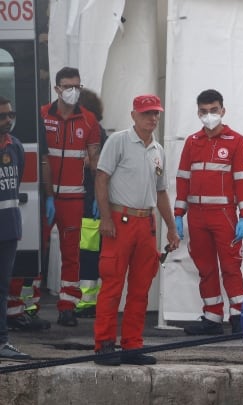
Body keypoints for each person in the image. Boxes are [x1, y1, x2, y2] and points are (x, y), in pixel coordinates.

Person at [92, 94, 180, 366]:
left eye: (156, 113)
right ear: (134, 115)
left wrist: (172, 229)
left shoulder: (157, 150)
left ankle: (132, 344)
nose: (152, 118)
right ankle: (104, 344)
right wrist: (106, 218)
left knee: (141, 288)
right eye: (146, 113)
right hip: (121, 220)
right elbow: (101, 178)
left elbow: (161, 191)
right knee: (113, 285)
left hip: (146, 224)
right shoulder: (119, 141)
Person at [174, 89, 243, 335]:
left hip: (224, 215)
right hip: (196, 216)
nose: (209, 115)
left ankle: (238, 316)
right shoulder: (192, 142)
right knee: (205, 268)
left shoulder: (236, 141)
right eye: (204, 111)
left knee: (230, 267)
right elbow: (183, 178)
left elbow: (242, 180)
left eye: (214, 110)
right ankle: (212, 317)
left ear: (222, 110)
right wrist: (178, 214)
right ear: (198, 112)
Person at [40, 66, 102, 327]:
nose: (73, 91)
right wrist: (47, 195)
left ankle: (68, 306)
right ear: (57, 89)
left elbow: (96, 162)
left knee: (71, 255)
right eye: (67, 86)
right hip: (46, 199)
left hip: (75, 198)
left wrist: (100, 195)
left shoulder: (89, 120)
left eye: (77, 86)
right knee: (36, 251)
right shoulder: (42, 115)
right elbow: (40, 158)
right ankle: (24, 307)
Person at [0, 96, 32, 360]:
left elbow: (16, 184)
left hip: (8, 228)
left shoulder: (16, 147)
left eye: (10, 115)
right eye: (2, 116)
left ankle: (2, 341)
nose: (8, 120)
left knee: (2, 287)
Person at [74, 87, 109, 318]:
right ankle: (86, 300)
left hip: (89, 199)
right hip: (84, 198)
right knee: (85, 252)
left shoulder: (96, 132)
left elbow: (102, 169)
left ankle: (88, 301)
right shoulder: (96, 131)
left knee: (88, 251)